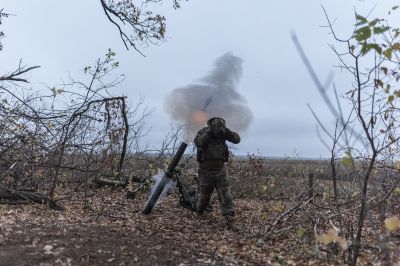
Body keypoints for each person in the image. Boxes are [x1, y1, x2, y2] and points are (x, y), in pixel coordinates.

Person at [194, 117, 240, 231]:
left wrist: (226, 131)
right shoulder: (203, 132)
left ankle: (230, 220)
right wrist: (209, 132)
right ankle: (199, 212)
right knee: (204, 197)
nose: (218, 132)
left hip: (220, 170)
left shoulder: (223, 133)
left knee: (226, 196)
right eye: (216, 128)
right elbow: (198, 142)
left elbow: (237, 139)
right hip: (205, 171)